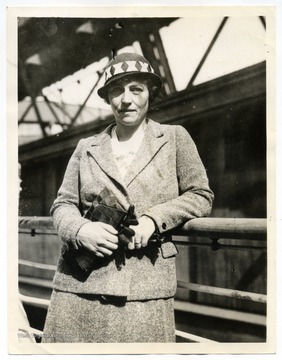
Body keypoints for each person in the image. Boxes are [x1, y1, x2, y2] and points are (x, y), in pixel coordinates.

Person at [42, 52, 214, 343]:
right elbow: (63, 203)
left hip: (144, 287)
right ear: (108, 98)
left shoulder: (174, 138)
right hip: (79, 284)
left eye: (136, 89)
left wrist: (153, 219)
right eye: (116, 90)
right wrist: (80, 229)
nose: (126, 99)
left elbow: (201, 195)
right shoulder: (87, 147)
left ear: (150, 93)